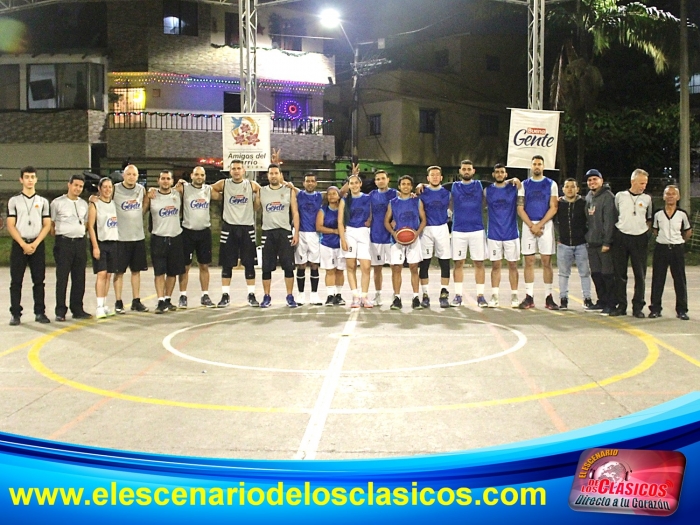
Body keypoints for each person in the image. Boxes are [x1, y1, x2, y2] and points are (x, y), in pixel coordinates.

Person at [211, 159, 262, 308]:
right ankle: (225, 295)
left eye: (239, 168)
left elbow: (261, 195)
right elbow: (209, 190)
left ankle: (251, 295)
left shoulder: (251, 185)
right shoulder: (224, 184)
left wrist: (257, 201)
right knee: (227, 264)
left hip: (246, 227)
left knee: (249, 264)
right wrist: (221, 197)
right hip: (229, 228)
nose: (236, 171)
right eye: (233, 168)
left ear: (244, 170)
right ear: (230, 170)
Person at [7, 166, 52, 326]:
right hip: (20, 244)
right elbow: (11, 225)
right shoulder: (14, 201)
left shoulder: (43, 202)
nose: (30, 180)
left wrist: (35, 243)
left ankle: (39, 312)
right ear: (21, 180)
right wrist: (22, 244)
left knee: (39, 281)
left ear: (36, 179)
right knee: (16, 281)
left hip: (36, 244)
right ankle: (15, 314)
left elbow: (46, 225)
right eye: (26, 177)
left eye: (32, 177)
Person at [517, 155, 559, 309]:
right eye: (534, 164)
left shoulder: (551, 184)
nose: (536, 166)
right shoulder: (524, 184)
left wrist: (540, 224)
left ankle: (549, 297)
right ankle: (529, 296)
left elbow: (553, 207)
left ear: (543, 166)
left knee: (546, 261)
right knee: (529, 261)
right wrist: (531, 225)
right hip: (529, 224)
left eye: (539, 164)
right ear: (531, 166)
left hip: (545, 225)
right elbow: (520, 207)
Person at [611, 169, 652, 318]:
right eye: (641, 183)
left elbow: (649, 218)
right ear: (632, 181)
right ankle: (621, 305)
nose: (643, 186)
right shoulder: (620, 196)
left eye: (645, 183)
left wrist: (642, 230)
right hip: (621, 237)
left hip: (639, 239)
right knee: (620, 274)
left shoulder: (647, 199)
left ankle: (638, 307)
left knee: (640, 275)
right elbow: (616, 215)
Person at [177, 165, 220, 308]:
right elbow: (168, 191)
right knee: (185, 267)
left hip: (204, 232)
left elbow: (225, 195)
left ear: (205, 177)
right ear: (191, 176)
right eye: (197, 174)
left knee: (204, 266)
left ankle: (205, 295)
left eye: (202, 175)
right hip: (187, 232)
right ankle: (183, 296)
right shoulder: (184, 188)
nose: (199, 177)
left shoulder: (208, 190)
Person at [258, 164, 300, 307]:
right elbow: (254, 208)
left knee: (288, 266)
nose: (273, 175)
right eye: (271, 173)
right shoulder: (261, 191)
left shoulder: (289, 191)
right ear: (267, 175)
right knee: (266, 267)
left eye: (276, 173)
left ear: (280, 175)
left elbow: (295, 212)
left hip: (284, 232)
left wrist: (296, 232)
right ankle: (266, 296)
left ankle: (289, 296)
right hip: (268, 232)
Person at [51, 174, 91, 321]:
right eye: (75, 185)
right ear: (69, 185)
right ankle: (60, 311)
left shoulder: (83, 204)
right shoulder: (57, 203)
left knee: (79, 278)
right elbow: (52, 224)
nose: (78, 189)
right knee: (62, 278)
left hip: (80, 243)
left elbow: (86, 223)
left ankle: (77, 308)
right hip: (64, 244)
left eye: (81, 186)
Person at [649, 185, 692, 321]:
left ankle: (682, 310)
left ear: (678, 197)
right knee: (658, 280)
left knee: (679, 280)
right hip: (661, 248)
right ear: (664, 196)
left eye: (673, 194)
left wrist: (679, 241)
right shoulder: (658, 214)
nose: (670, 196)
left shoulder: (682, 214)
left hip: (677, 249)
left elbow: (688, 231)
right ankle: (655, 309)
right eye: (668, 194)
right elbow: (655, 230)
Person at [111, 164, 149, 313]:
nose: (131, 177)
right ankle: (118, 301)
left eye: (134, 174)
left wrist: (143, 210)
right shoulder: (115, 189)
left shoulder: (141, 189)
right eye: (129, 174)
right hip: (121, 238)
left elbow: (146, 201)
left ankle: (136, 300)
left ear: (137, 176)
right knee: (119, 271)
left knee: (136, 271)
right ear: (123, 175)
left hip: (137, 237)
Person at [384, 175, 427, 310]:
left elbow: (424, 220)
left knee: (414, 268)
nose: (406, 186)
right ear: (399, 186)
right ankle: (397, 298)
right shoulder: (393, 202)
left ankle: (415, 298)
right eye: (403, 184)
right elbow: (386, 221)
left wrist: (416, 234)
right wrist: (394, 233)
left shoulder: (417, 201)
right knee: (397, 269)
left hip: (413, 239)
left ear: (411, 186)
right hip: (397, 240)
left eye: (408, 184)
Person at [147, 171, 186, 314]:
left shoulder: (177, 194)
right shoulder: (152, 196)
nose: (165, 181)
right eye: (162, 178)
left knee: (172, 272)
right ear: (158, 180)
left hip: (175, 238)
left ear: (172, 181)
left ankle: (168, 299)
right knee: (159, 272)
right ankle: (160, 300)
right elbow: (143, 210)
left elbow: (191, 187)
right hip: (158, 238)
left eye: (168, 179)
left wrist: (181, 183)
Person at [484, 164, 521, 308]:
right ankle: (494, 296)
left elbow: (526, 189)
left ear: (506, 174)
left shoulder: (514, 188)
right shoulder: (488, 191)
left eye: (502, 172)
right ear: (493, 175)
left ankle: (515, 296)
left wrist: (517, 180)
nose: (499, 174)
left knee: (513, 265)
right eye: (497, 172)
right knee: (496, 266)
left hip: (511, 233)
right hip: (494, 233)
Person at [451, 160, 487, 307]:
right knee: (458, 262)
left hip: (477, 229)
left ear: (473, 171)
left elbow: (499, 184)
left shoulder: (480, 185)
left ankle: (480, 296)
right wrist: (422, 185)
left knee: (479, 262)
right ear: (460, 171)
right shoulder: (453, 186)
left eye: (469, 169)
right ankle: (458, 295)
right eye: (464, 169)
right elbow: (437, 190)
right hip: (459, 229)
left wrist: (514, 180)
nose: (466, 171)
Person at [556, 178, 593, 310]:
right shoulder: (559, 204)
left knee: (584, 273)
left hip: (581, 244)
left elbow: (590, 220)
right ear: (563, 189)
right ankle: (563, 299)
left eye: (573, 186)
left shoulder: (583, 203)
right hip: (564, 244)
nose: (570, 189)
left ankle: (587, 298)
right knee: (563, 273)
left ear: (578, 189)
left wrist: (587, 236)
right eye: (567, 186)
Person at [418, 166, 452, 308]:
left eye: (438, 174)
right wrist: (420, 186)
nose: (435, 177)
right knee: (425, 263)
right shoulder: (421, 191)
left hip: (442, 228)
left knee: (444, 262)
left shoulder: (447, 193)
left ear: (441, 178)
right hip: (426, 229)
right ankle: (425, 295)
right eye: (432, 175)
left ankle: (444, 294)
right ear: (428, 178)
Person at [584, 169, 617, 315]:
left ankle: (611, 303)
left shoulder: (608, 197)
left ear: (601, 181)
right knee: (596, 274)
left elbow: (609, 222)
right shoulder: (589, 197)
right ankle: (601, 301)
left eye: (595, 179)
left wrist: (607, 242)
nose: (592, 182)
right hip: (592, 243)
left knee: (607, 274)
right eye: (589, 180)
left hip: (603, 243)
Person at [338, 174, 373, 308]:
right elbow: (340, 221)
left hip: (363, 232)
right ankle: (355, 296)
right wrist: (343, 239)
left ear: (360, 184)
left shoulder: (367, 198)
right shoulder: (345, 200)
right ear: (349, 185)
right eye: (351, 183)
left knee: (366, 266)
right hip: (350, 233)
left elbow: (373, 212)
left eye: (356, 183)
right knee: (351, 265)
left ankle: (364, 296)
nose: (354, 185)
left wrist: (370, 219)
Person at [87, 177, 119, 319]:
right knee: (101, 274)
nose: (107, 190)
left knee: (108, 275)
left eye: (110, 187)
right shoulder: (94, 204)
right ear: (99, 188)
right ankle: (99, 306)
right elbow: (91, 227)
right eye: (104, 187)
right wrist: (95, 246)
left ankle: (105, 304)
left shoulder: (113, 204)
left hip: (113, 242)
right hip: (100, 242)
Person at [367, 170, 397, 306]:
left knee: (395, 267)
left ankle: (396, 295)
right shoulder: (371, 195)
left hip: (391, 237)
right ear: (375, 181)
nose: (380, 181)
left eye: (383, 178)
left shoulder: (395, 194)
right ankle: (378, 295)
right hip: (376, 236)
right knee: (377, 268)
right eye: (378, 179)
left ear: (388, 179)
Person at [294, 173, 323, 306]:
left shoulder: (320, 196)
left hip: (315, 234)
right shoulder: (299, 194)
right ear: (304, 183)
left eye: (312, 181)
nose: (310, 183)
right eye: (307, 181)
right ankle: (300, 294)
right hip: (300, 233)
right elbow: (284, 183)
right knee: (301, 265)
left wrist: (353, 176)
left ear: (316, 183)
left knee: (314, 264)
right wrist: (277, 164)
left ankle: (314, 295)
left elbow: (340, 192)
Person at [316, 186, 346, 306]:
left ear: (339, 195)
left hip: (341, 244)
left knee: (340, 270)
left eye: (334, 193)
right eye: (329, 194)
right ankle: (330, 295)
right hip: (327, 244)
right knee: (330, 270)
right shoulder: (323, 210)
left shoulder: (343, 209)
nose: (332, 196)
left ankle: (338, 295)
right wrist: (334, 231)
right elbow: (319, 227)